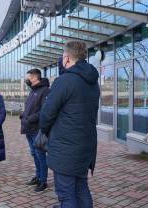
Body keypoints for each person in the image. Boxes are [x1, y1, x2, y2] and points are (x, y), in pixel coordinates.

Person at [39, 41, 100, 208]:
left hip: (66, 149)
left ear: (66, 57)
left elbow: (46, 115)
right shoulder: (93, 82)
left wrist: (45, 131)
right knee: (81, 188)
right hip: (85, 147)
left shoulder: (64, 81)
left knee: (66, 195)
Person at [20, 68, 50, 192]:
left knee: (40, 155)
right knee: (34, 154)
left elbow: (44, 111)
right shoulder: (33, 91)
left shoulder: (45, 90)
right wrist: (23, 115)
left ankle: (43, 181)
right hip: (28, 128)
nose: (29, 78)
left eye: (30, 76)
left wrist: (29, 119)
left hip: (36, 129)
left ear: (36, 77)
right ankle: (38, 177)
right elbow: (31, 107)